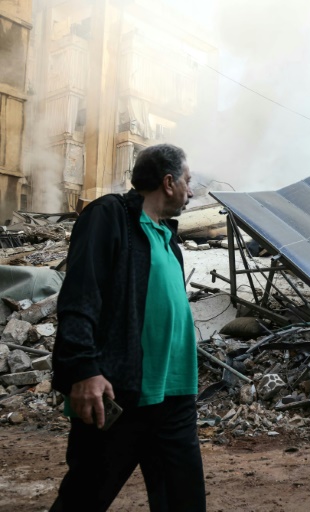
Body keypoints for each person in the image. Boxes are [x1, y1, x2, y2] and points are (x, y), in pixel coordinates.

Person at [51, 144, 205, 511]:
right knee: (84, 499)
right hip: (120, 394)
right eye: (187, 181)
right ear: (168, 182)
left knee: (185, 502)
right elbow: (81, 295)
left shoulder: (169, 237)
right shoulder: (110, 215)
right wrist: (84, 368)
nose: (191, 190)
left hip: (175, 397)